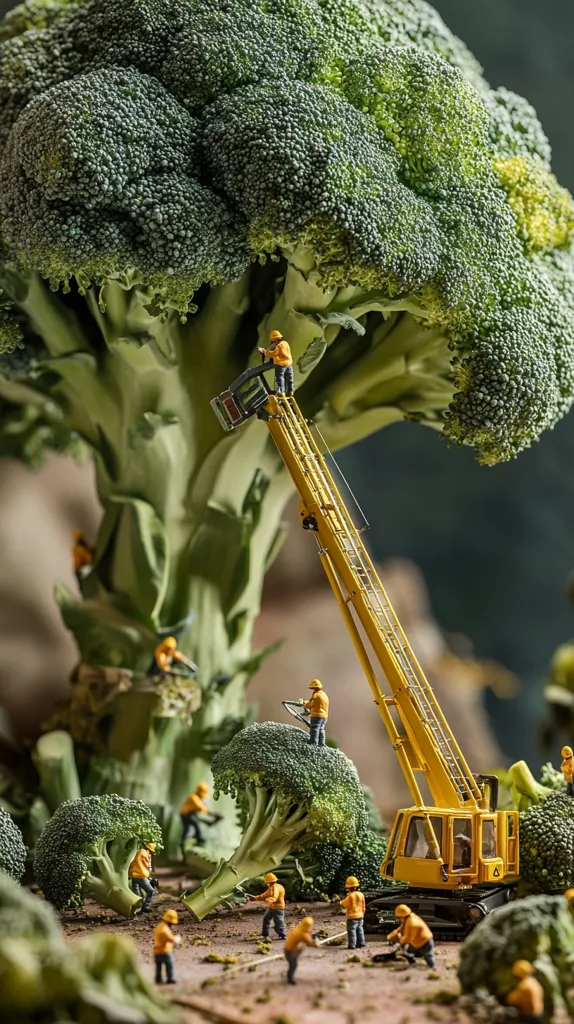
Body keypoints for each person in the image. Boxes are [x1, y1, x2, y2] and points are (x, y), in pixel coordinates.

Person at [387, 904, 435, 968]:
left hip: (425, 941)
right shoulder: (409, 919)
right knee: (409, 951)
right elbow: (401, 929)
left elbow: (408, 938)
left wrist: (400, 941)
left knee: (427, 955)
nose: (399, 919)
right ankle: (412, 961)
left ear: (403, 916)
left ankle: (432, 967)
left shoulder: (412, 923)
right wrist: (392, 935)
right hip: (418, 942)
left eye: (399, 918)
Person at [284, 916, 319, 985]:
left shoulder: (296, 929)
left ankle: (289, 974)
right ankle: (290, 978)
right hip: (291, 951)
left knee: (292, 961)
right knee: (293, 964)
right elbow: (309, 944)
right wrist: (315, 943)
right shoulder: (303, 934)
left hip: (287, 948)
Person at [258, 330, 294, 396]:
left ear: (276, 339)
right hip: (289, 364)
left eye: (273, 340)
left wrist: (265, 352)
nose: (273, 342)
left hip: (281, 365)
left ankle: (281, 392)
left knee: (280, 378)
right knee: (289, 378)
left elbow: (275, 353)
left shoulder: (279, 346)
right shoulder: (285, 343)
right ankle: (290, 391)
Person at [180, 782, 214, 849]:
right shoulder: (194, 797)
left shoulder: (198, 798)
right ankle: (199, 838)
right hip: (186, 815)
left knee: (188, 829)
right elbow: (200, 807)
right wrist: (211, 813)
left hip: (190, 814)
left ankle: (186, 841)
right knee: (196, 822)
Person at [254, 872, 287, 940]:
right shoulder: (271, 888)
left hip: (278, 908)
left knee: (279, 921)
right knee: (266, 919)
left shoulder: (276, 888)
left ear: (269, 882)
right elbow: (264, 895)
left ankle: (283, 934)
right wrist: (256, 898)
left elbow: (275, 896)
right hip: (272, 907)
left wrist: (269, 900)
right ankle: (265, 934)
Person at [154, 909, 181, 985]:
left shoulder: (160, 926)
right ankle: (170, 978)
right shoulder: (164, 930)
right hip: (164, 951)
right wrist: (176, 939)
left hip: (157, 950)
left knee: (158, 966)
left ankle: (158, 979)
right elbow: (170, 938)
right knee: (169, 964)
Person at [128, 842, 157, 912]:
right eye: (151, 852)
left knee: (137, 894)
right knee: (151, 891)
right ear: (149, 850)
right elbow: (147, 866)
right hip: (141, 876)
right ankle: (146, 906)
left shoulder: (139, 852)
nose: (151, 854)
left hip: (134, 875)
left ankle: (136, 908)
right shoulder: (145, 854)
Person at [340, 875, 366, 949]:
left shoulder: (350, 896)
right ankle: (361, 943)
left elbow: (344, 904)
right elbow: (364, 906)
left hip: (352, 917)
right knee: (360, 929)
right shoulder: (361, 895)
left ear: (349, 888)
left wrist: (340, 902)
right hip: (360, 916)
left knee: (352, 931)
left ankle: (352, 945)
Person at [304, 679, 329, 746]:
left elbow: (311, 704)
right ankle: (321, 743)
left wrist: (305, 703)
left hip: (317, 715)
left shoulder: (316, 696)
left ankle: (313, 742)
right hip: (324, 716)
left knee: (314, 729)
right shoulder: (323, 694)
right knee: (321, 729)